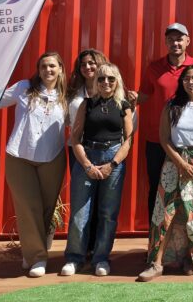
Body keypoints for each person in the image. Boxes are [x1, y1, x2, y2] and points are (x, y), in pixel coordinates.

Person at [138, 65, 193, 280]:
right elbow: (164, 138)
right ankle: (157, 262)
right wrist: (181, 164)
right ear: (181, 82)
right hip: (174, 162)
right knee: (165, 212)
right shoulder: (171, 106)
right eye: (186, 79)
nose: (191, 82)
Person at [137, 23, 193, 226]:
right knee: (158, 190)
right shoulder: (154, 68)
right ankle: (155, 238)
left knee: (192, 193)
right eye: (171, 39)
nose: (175, 43)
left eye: (179, 39)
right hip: (158, 141)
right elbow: (143, 95)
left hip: (188, 145)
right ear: (165, 42)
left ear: (187, 41)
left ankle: (185, 239)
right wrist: (125, 97)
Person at [0, 52, 69, 277]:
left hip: (52, 157)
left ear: (60, 69)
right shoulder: (24, 88)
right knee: (28, 207)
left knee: (47, 208)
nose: (48, 70)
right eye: (44, 66)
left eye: (52, 66)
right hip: (19, 155)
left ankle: (32, 251)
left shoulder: (67, 95)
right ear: (38, 70)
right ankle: (38, 257)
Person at [62, 63, 135, 277]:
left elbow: (128, 140)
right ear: (96, 81)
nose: (106, 82)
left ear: (117, 81)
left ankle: (101, 258)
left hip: (113, 159)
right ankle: (74, 258)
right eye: (101, 78)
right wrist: (87, 165)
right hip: (88, 157)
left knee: (107, 214)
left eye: (111, 79)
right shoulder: (87, 104)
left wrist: (112, 165)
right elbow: (75, 138)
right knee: (80, 212)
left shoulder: (124, 105)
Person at [66, 48, 111, 264]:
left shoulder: (112, 88)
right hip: (78, 150)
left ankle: (96, 250)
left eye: (92, 63)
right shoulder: (74, 92)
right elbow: (66, 118)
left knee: (103, 203)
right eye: (83, 64)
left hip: (105, 151)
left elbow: (129, 122)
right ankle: (79, 251)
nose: (88, 67)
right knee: (82, 202)